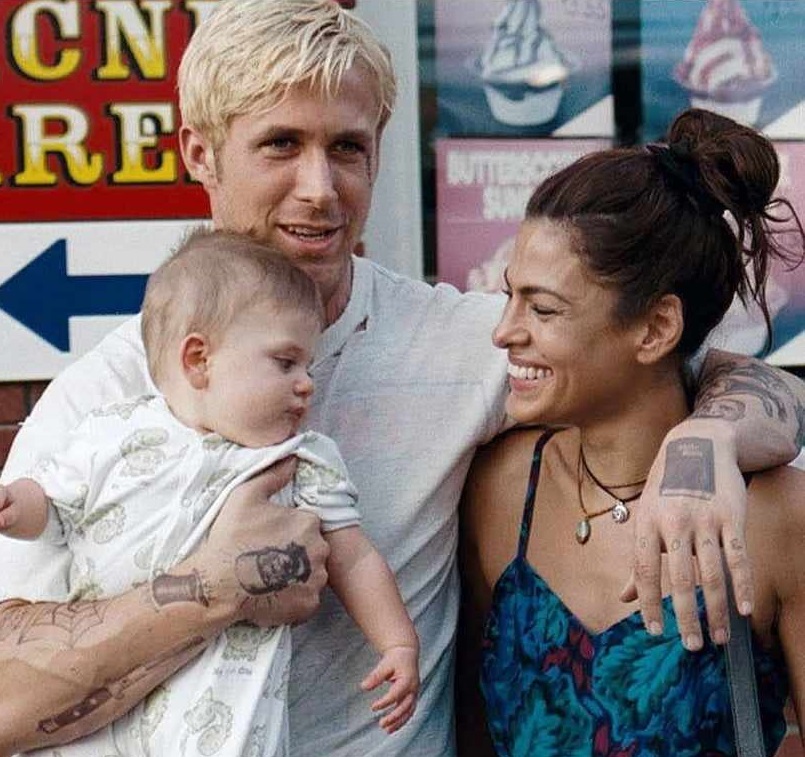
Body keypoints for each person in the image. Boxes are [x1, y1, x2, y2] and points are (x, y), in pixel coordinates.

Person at [0, 1, 803, 754]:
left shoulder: (457, 342)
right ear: (199, 153)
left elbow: (685, 366)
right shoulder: (109, 392)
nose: (319, 189)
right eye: (280, 144)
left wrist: (705, 441)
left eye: (347, 148)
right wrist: (218, 586)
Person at [457, 108, 805, 756]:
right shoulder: (502, 489)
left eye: (543, 308)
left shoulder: (778, 517)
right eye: (509, 296)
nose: (503, 332)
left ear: (655, 329)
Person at [0, 228, 419, 755]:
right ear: (199, 359)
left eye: (308, 366)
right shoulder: (111, 433)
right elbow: (55, 507)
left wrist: (397, 641)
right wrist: (16, 505)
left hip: (227, 728)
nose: (307, 383)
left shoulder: (300, 460)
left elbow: (353, 558)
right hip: (102, 727)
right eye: (285, 362)